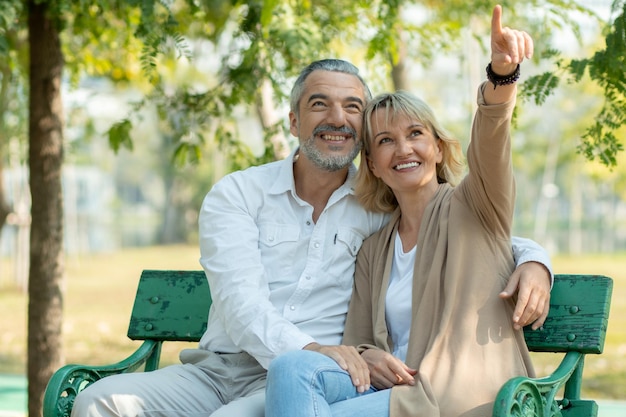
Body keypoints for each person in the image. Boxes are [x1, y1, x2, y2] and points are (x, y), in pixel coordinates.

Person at [71, 55, 550, 416]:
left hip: (348, 381)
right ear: (294, 121)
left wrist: (533, 260)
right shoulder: (244, 195)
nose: (336, 119)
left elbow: (485, 221)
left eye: (351, 108)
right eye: (319, 105)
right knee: (96, 402)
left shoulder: (387, 211)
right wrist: (334, 352)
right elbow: (243, 307)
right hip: (228, 370)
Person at [265, 5, 537, 417]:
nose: (404, 149)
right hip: (389, 390)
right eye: (387, 141)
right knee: (291, 369)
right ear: (372, 163)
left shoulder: (476, 205)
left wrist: (501, 77)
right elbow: (358, 342)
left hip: (455, 399)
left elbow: (492, 136)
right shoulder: (375, 248)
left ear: (439, 147)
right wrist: (367, 355)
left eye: (416, 134)